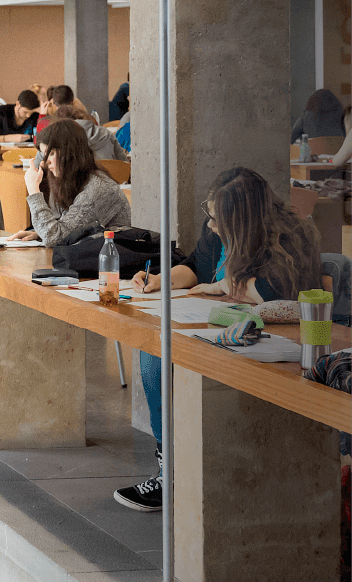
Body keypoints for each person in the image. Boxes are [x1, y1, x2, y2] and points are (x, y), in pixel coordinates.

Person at [114, 167, 322, 513]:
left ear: (242, 219)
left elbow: (273, 291)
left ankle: (182, 475)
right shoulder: (218, 231)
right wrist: (160, 280)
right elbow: (196, 266)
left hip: (268, 334)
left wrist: (224, 285)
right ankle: (170, 471)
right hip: (218, 322)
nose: (210, 225)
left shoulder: (289, 237)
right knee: (154, 347)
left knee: (163, 355)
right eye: (209, 215)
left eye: (217, 218)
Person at [6, 119, 132, 246]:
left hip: (111, 263)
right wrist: (40, 234)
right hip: (92, 259)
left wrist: (33, 190)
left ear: (69, 153)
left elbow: (55, 239)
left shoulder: (98, 189)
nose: (45, 162)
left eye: (52, 154)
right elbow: (69, 230)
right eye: (45, 154)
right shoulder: (77, 181)